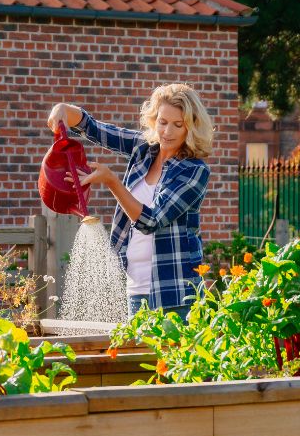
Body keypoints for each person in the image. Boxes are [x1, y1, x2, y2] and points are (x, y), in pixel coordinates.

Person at [47, 84, 214, 317]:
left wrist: (112, 181)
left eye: (178, 125)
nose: (167, 132)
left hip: (175, 293)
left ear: (191, 127)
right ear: (154, 120)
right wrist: (63, 109)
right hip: (136, 288)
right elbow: (93, 127)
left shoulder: (194, 170)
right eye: (162, 122)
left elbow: (150, 220)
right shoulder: (144, 149)